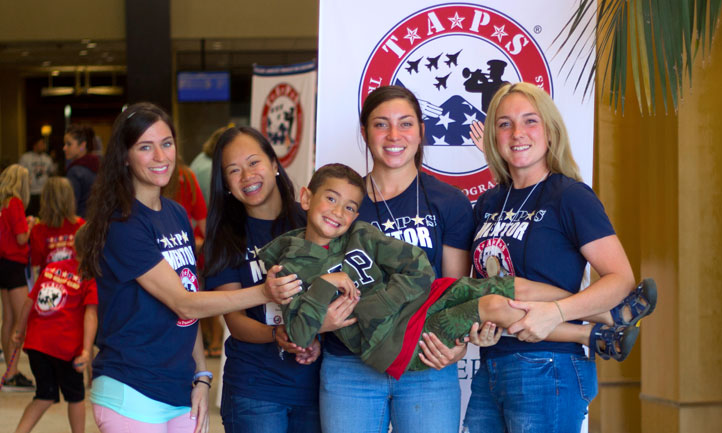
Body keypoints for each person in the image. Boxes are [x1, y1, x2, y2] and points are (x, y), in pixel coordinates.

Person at [260, 164, 655, 378]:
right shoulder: (289, 264)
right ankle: (595, 334)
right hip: (396, 344)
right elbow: (296, 331)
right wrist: (326, 287)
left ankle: (608, 315)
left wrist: (379, 301)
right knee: (495, 307)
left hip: (421, 305)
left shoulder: (360, 234)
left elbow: (416, 266)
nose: (339, 212)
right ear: (306, 197)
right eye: (331, 200)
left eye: (349, 206)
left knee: (504, 285)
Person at [74, 103, 301, 433]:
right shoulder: (123, 225)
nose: (160, 157)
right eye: (145, 147)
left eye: (166, 144)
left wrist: (201, 376)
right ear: (125, 156)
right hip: (132, 387)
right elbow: (183, 301)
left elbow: (186, 310)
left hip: (179, 389)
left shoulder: (176, 214)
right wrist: (263, 292)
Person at [459, 81, 639, 433]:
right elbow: (482, 288)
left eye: (530, 121)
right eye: (504, 123)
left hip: (549, 367)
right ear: (494, 136)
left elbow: (622, 279)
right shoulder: (489, 203)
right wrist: (481, 330)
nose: (517, 133)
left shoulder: (570, 196)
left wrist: (555, 312)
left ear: (550, 132)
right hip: (492, 364)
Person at [311, 85, 474, 433]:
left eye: (405, 123)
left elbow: (455, 289)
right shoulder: (342, 205)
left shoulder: (449, 202)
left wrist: (456, 348)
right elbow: (316, 270)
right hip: (349, 365)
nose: (394, 135)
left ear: (421, 131)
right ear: (365, 133)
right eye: (381, 124)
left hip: (426, 362)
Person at [204, 126, 350, 433]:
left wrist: (316, 339)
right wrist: (279, 334)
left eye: (254, 162)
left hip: (316, 387)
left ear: (274, 164)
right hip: (255, 390)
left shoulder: (310, 221)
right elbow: (236, 323)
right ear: (226, 184)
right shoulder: (225, 238)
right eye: (234, 170)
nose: (247, 176)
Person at [10, 256, 97, 433]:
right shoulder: (90, 275)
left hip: (37, 345)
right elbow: (90, 316)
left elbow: (29, 301)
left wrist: (19, 331)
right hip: (65, 348)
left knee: (44, 396)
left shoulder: (52, 268)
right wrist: (87, 351)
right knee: (76, 398)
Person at [0, 164, 36, 391]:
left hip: (3, 264)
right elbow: (22, 238)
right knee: (21, 320)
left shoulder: (3, 203)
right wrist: (31, 224)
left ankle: (10, 373)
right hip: (14, 265)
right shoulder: (15, 203)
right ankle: (11, 374)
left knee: (9, 319)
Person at [29, 177, 85, 277]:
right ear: (71, 198)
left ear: (45, 200)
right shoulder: (81, 226)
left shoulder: (38, 230)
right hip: (77, 286)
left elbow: (36, 266)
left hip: (50, 286)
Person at [63, 125, 100, 217]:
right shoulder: (98, 165)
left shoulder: (75, 171)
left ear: (82, 145)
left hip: (80, 223)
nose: (64, 148)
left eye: (69, 144)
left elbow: (71, 207)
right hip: (96, 221)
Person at [19, 138, 54, 217]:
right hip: (30, 192)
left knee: (43, 215)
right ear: (35, 145)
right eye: (41, 144)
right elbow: (20, 174)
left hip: (44, 192)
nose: (43, 146)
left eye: (44, 144)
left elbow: (52, 173)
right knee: (30, 215)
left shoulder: (47, 158)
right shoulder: (25, 157)